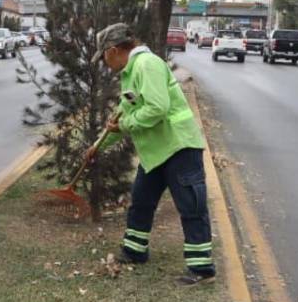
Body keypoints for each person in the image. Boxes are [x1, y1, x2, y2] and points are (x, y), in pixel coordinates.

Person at [92, 23, 215, 285]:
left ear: (113, 50)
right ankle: (135, 251)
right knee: (141, 201)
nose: (104, 62)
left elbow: (157, 108)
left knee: (191, 206)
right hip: (156, 152)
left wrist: (124, 124)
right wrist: (96, 147)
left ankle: (202, 268)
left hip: (179, 146)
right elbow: (122, 118)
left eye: (103, 55)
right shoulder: (130, 72)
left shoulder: (147, 64)